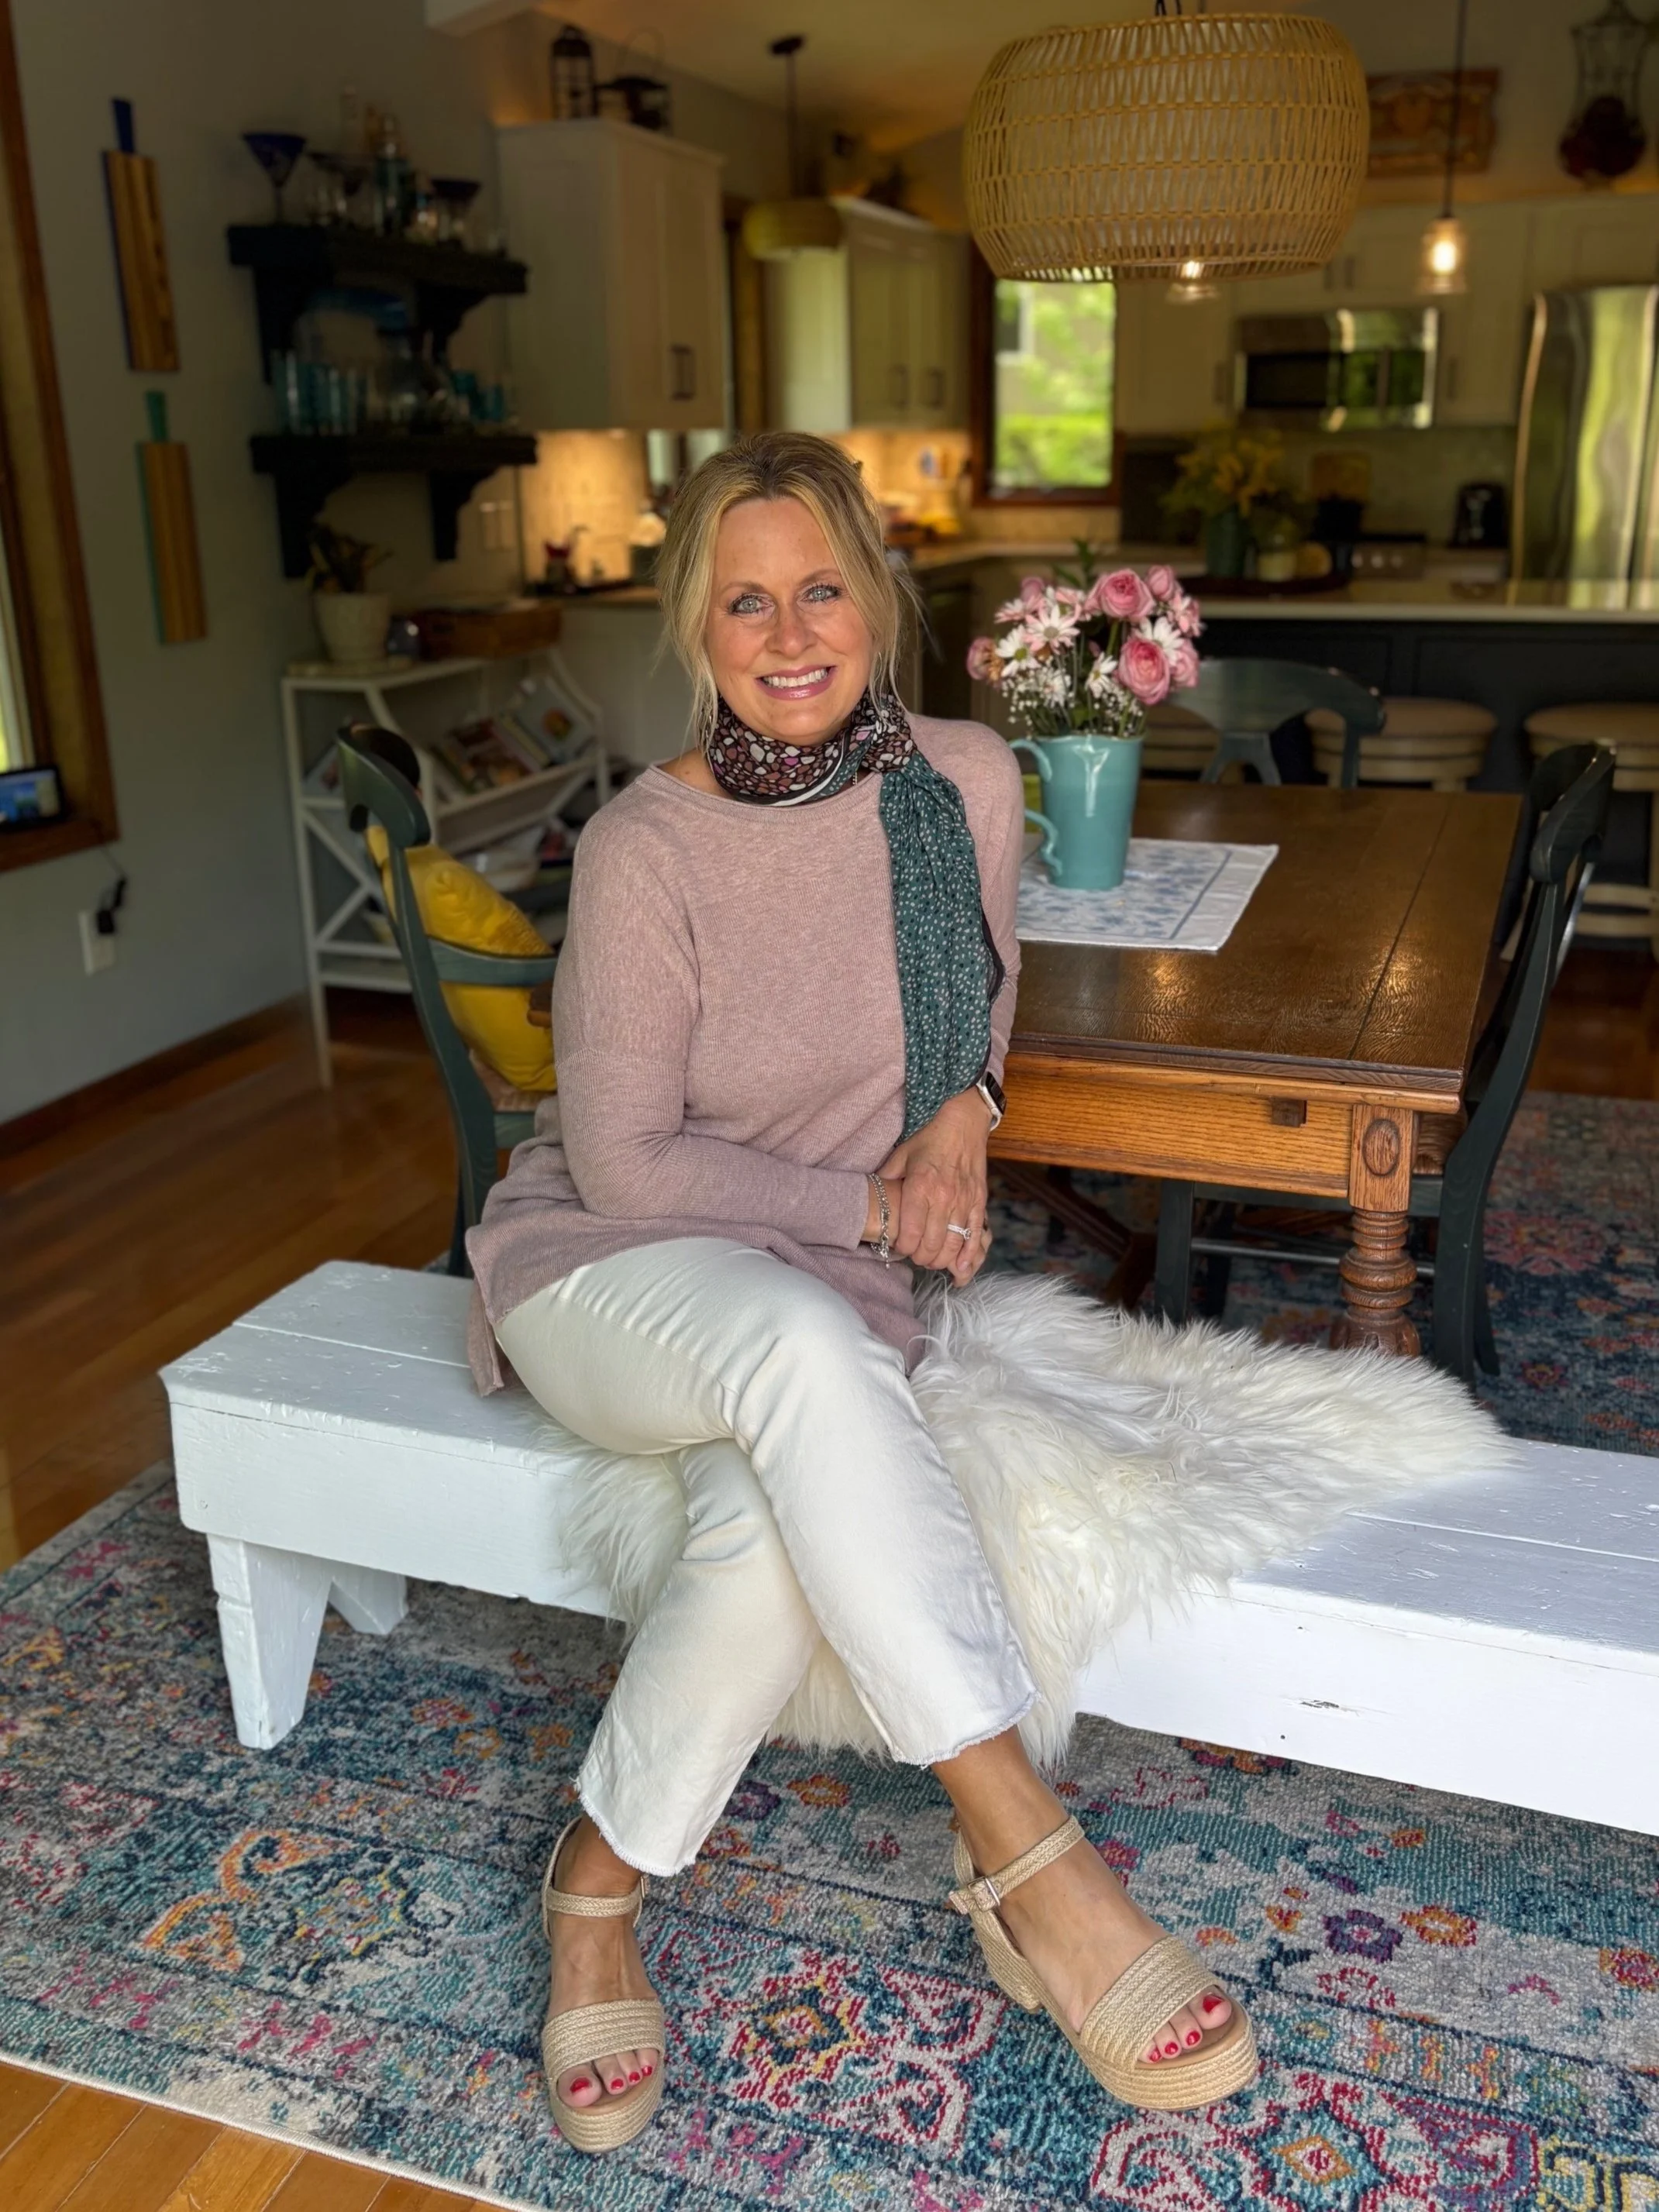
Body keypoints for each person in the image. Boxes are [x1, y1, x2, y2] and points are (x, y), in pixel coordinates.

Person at [465, 432, 1256, 2153]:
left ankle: (591, 1884)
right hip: (609, 1272)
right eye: (743, 598)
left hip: (831, 1290)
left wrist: (963, 1111)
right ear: (695, 627)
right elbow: (624, 1161)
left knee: (771, 1514)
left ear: (880, 596)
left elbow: (969, 1003)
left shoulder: (957, 782)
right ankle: (1027, 1851)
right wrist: (876, 1204)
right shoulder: (642, 851)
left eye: (820, 583)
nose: (789, 628)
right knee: (802, 1346)